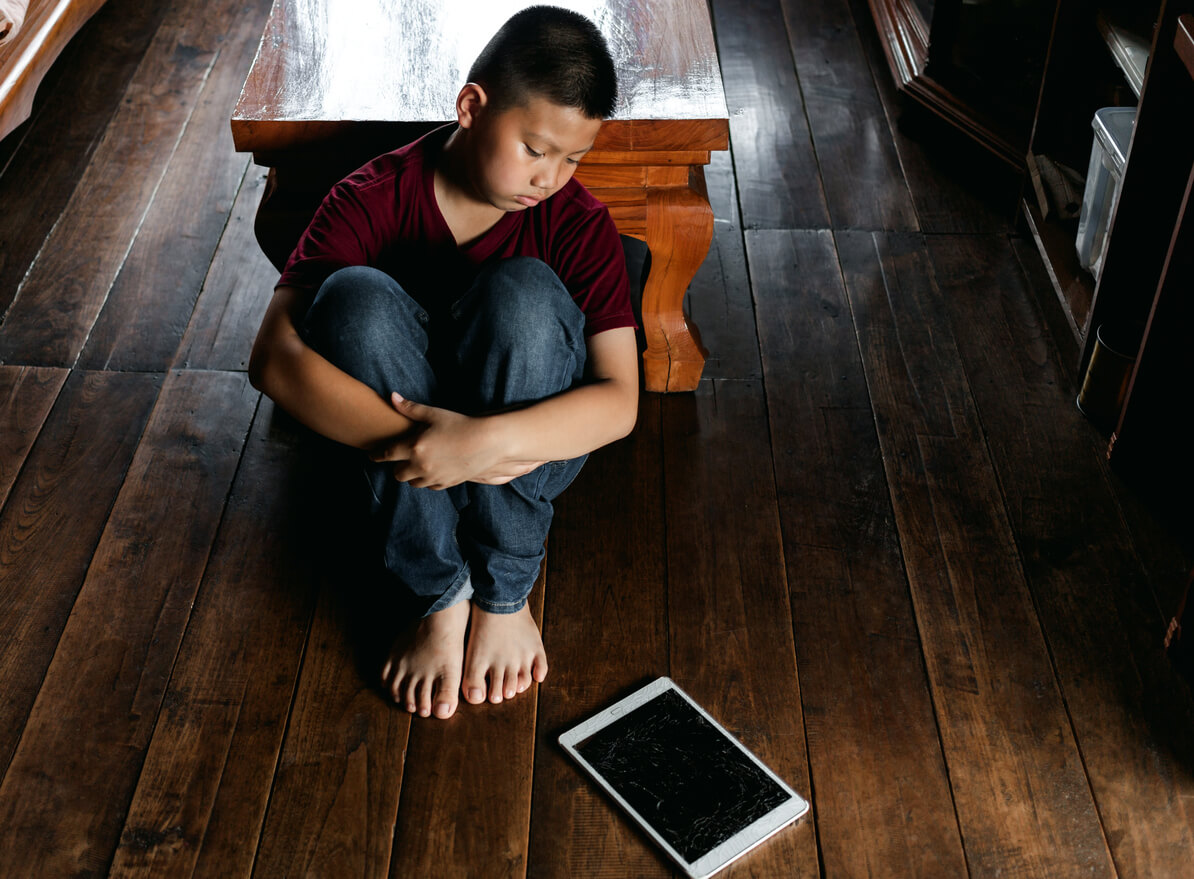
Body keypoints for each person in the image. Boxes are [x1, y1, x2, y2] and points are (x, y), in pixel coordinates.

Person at [248, 6, 639, 721]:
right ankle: (441, 593)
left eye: (573, 159)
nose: (549, 178)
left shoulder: (576, 222)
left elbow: (620, 399)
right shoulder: (370, 197)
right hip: (398, 450)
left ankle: (504, 592)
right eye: (534, 149)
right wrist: (430, 447)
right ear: (471, 107)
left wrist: (482, 442)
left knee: (524, 293)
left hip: (515, 451)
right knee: (353, 298)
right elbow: (272, 359)